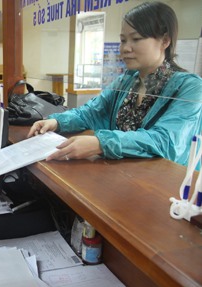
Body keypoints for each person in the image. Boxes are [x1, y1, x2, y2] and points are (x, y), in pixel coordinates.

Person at [28, 1, 202, 166]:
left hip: (166, 188)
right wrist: (57, 122)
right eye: (123, 40)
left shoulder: (190, 88)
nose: (125, 48)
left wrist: (101, 143)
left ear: (165, 41)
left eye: (136, 39)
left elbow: (166, 142)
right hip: (120, 176)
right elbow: (90, 113)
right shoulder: (127, 80)